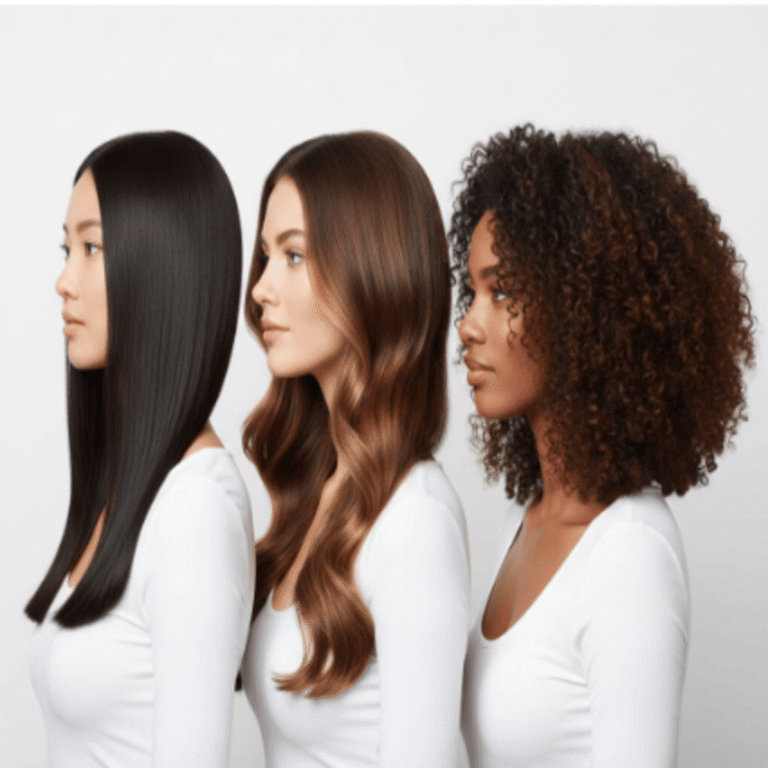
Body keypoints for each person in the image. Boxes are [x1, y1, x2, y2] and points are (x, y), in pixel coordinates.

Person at [452, 125, 755, 768]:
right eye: (472, 289)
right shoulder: (525, 520)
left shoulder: (629, 553)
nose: (469, 324)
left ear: (583, 308)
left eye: (502, 291)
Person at [240, 131, 470, 767]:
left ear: (374, 271)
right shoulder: (320, 493)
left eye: (293, 256)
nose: (259, 289)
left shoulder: (415, 521)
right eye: (264, 257)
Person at [26, 131, 255, 767]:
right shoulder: (132, 493)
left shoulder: (196, 512)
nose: (63, 280)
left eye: (92, 247)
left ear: (162, 267)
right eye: (66, 247)